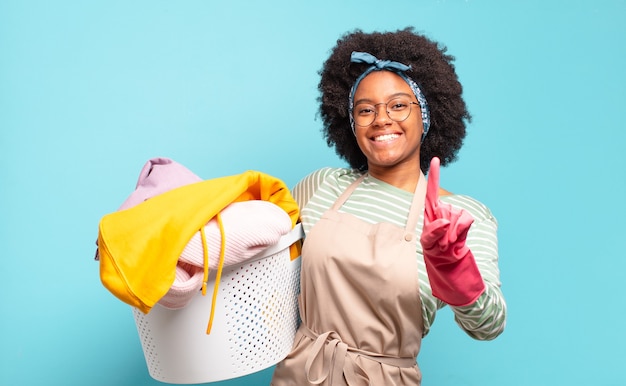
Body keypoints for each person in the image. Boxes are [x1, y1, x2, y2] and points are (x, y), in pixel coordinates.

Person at [271, 27, 506, 385]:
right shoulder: (322, 186)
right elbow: (263, 267)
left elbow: (489, 326)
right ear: (351, 122)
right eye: (365, 109)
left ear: (426, 115)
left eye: (398, 105)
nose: (382, 119)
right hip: (300, 375)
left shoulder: (459, 216)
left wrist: (454, 268)